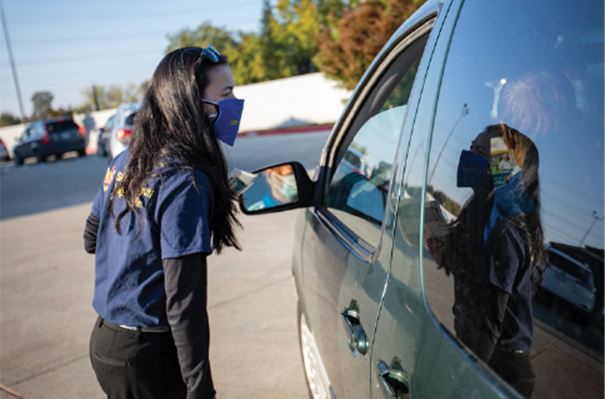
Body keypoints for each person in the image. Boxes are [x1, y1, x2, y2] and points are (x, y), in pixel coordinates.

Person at [83, 45, 244, 399]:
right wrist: (200, 389)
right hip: (147, 358)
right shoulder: (184, 181)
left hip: (106, 342)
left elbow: (91, 239)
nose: (236, 104)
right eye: (227, 94)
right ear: (191, 103)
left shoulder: (126, 159)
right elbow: (183, 305)